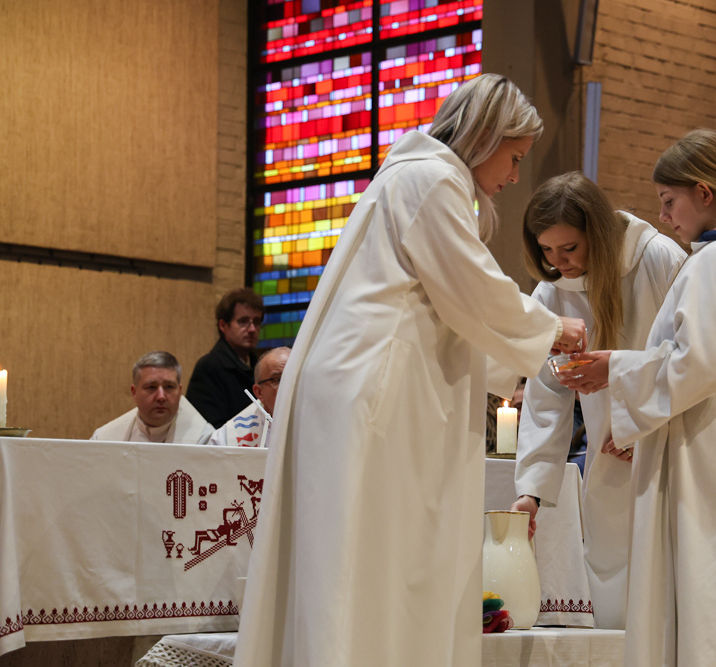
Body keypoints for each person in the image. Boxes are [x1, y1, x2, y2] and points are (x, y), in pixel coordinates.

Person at [234, 74, 587, 667]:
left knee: (367, 553)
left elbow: (444, 306)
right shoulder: (431, 178)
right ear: (486, 135)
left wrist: (517, 368)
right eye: (515, 157)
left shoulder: (412, 175)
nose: (515, 175)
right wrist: (551, 328)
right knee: (376, 554)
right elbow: (470, 287)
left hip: (366, 384)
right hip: (376, 395)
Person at [558, 128, 716, 666]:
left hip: (701, 430)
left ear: (704, 192)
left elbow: (700, 362)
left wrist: (615, 368)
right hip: (713, 422)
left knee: (703, 576)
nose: (664, 216)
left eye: (669, 202)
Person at [510, 171, 685, 629]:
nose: (558, 262)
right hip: (610, 462)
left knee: (673, 583)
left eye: (569, 247)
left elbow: (693, 358)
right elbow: (545, 396)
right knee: (614, 589)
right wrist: (531, 491)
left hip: (672, 448)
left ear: (598, 233)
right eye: (546, 250)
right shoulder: (552, 292)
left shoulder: (658, 259)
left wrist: (645, 424)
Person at [91, 351, 213, 444]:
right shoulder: (104, 440)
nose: (161, 397)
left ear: (180, 391)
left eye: (169, 387)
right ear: (134, 393)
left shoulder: (204, 439)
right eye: (151, 387)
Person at [187, 288, 264, 428]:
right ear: (223, 325)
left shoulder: (260, 367)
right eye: (243, 321)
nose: (252, 329)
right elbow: (210, 429)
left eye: (257, 321)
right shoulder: (208, 367)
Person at [207, 347, 290, 448]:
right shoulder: (226, 438)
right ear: (259, 392)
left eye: (296, 378)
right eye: (279, 380)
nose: (290, 386)